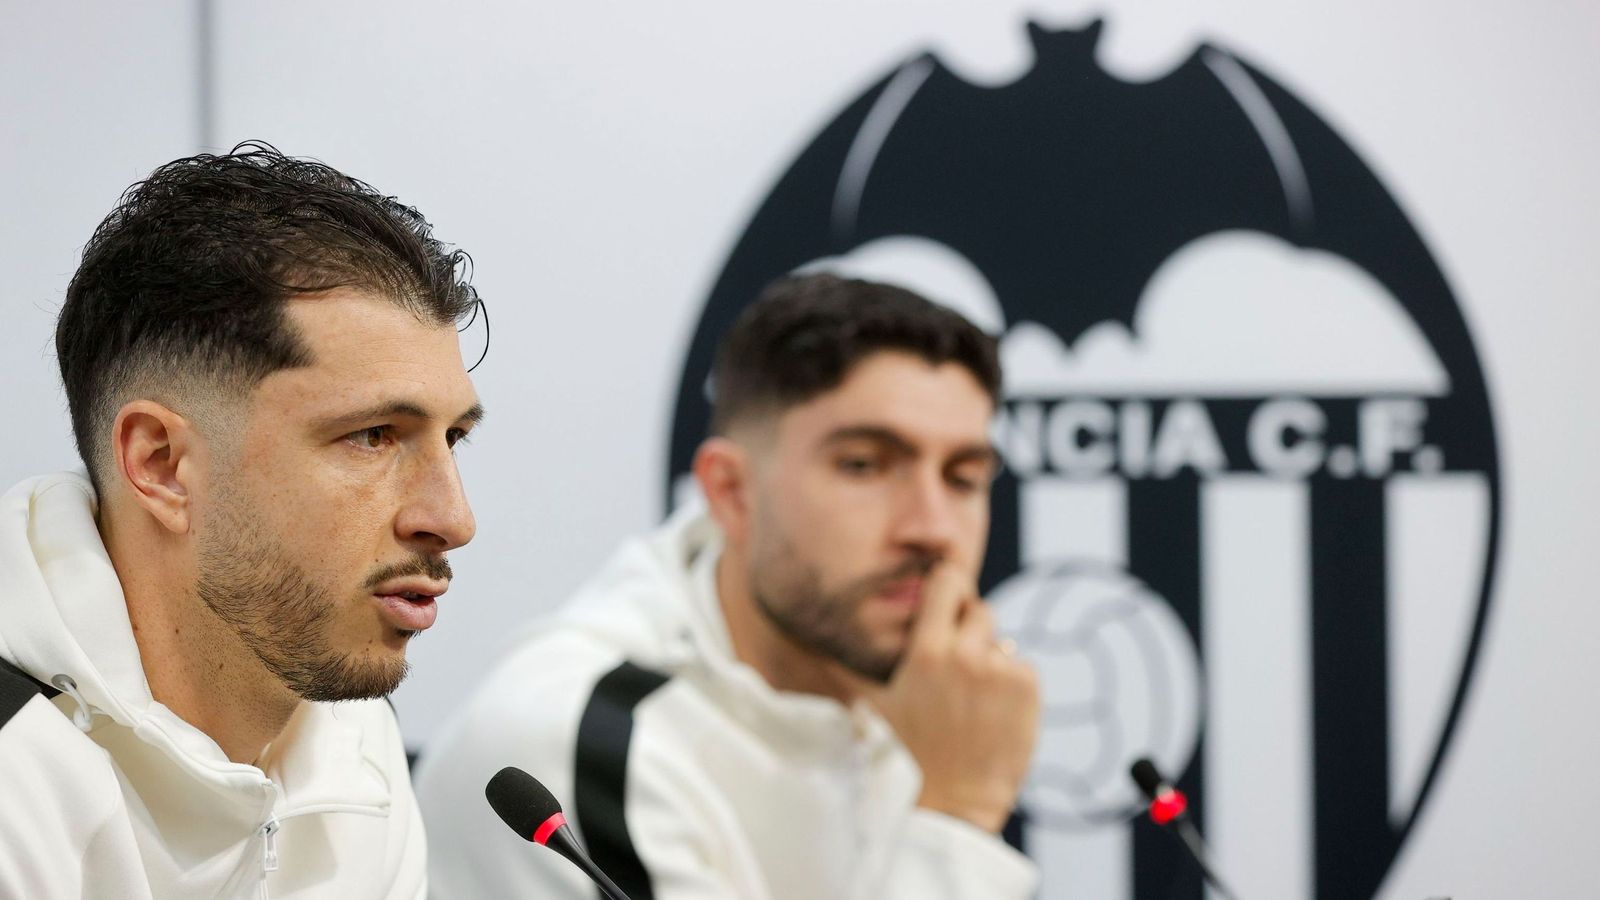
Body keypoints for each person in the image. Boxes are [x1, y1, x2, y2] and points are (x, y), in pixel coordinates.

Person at [417, 273, 1040, 899]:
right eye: (864, 465)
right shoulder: (586, 739)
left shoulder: (929, 696)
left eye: (963, 478)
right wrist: (959, 815)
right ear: (732, 492)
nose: (933, 529)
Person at [0, 144, 485, 898]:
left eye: (451, 438)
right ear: (162, 464)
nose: (453, 519)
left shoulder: (355, 742)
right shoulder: (16, 779)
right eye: (372, 436)